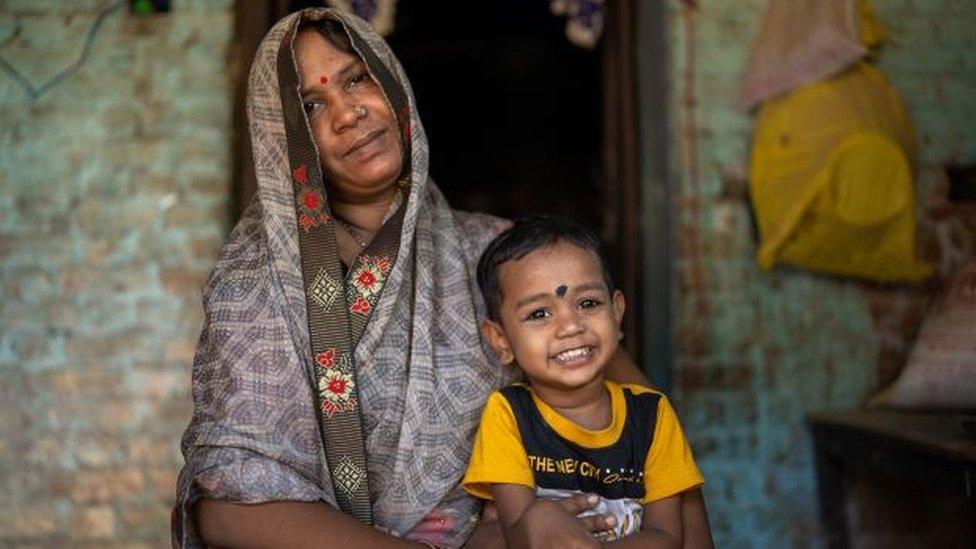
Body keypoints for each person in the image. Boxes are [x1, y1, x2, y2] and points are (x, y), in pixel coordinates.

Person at [174, 8, 712, 549]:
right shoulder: (253, 284)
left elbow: (648, 429)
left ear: (391, 82)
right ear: (281, 135)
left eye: (357, 78)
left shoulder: (492, 255)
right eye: (312, 105)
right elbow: (225, 507)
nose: (348, 112)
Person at [462, 217, 704, 548]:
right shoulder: (508, 415)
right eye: (539, 314)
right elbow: (520, 531)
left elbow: (667, 536)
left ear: (617, 313)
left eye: (587, 304)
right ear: (501, 340)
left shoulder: (651, 415)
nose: (570, 327)